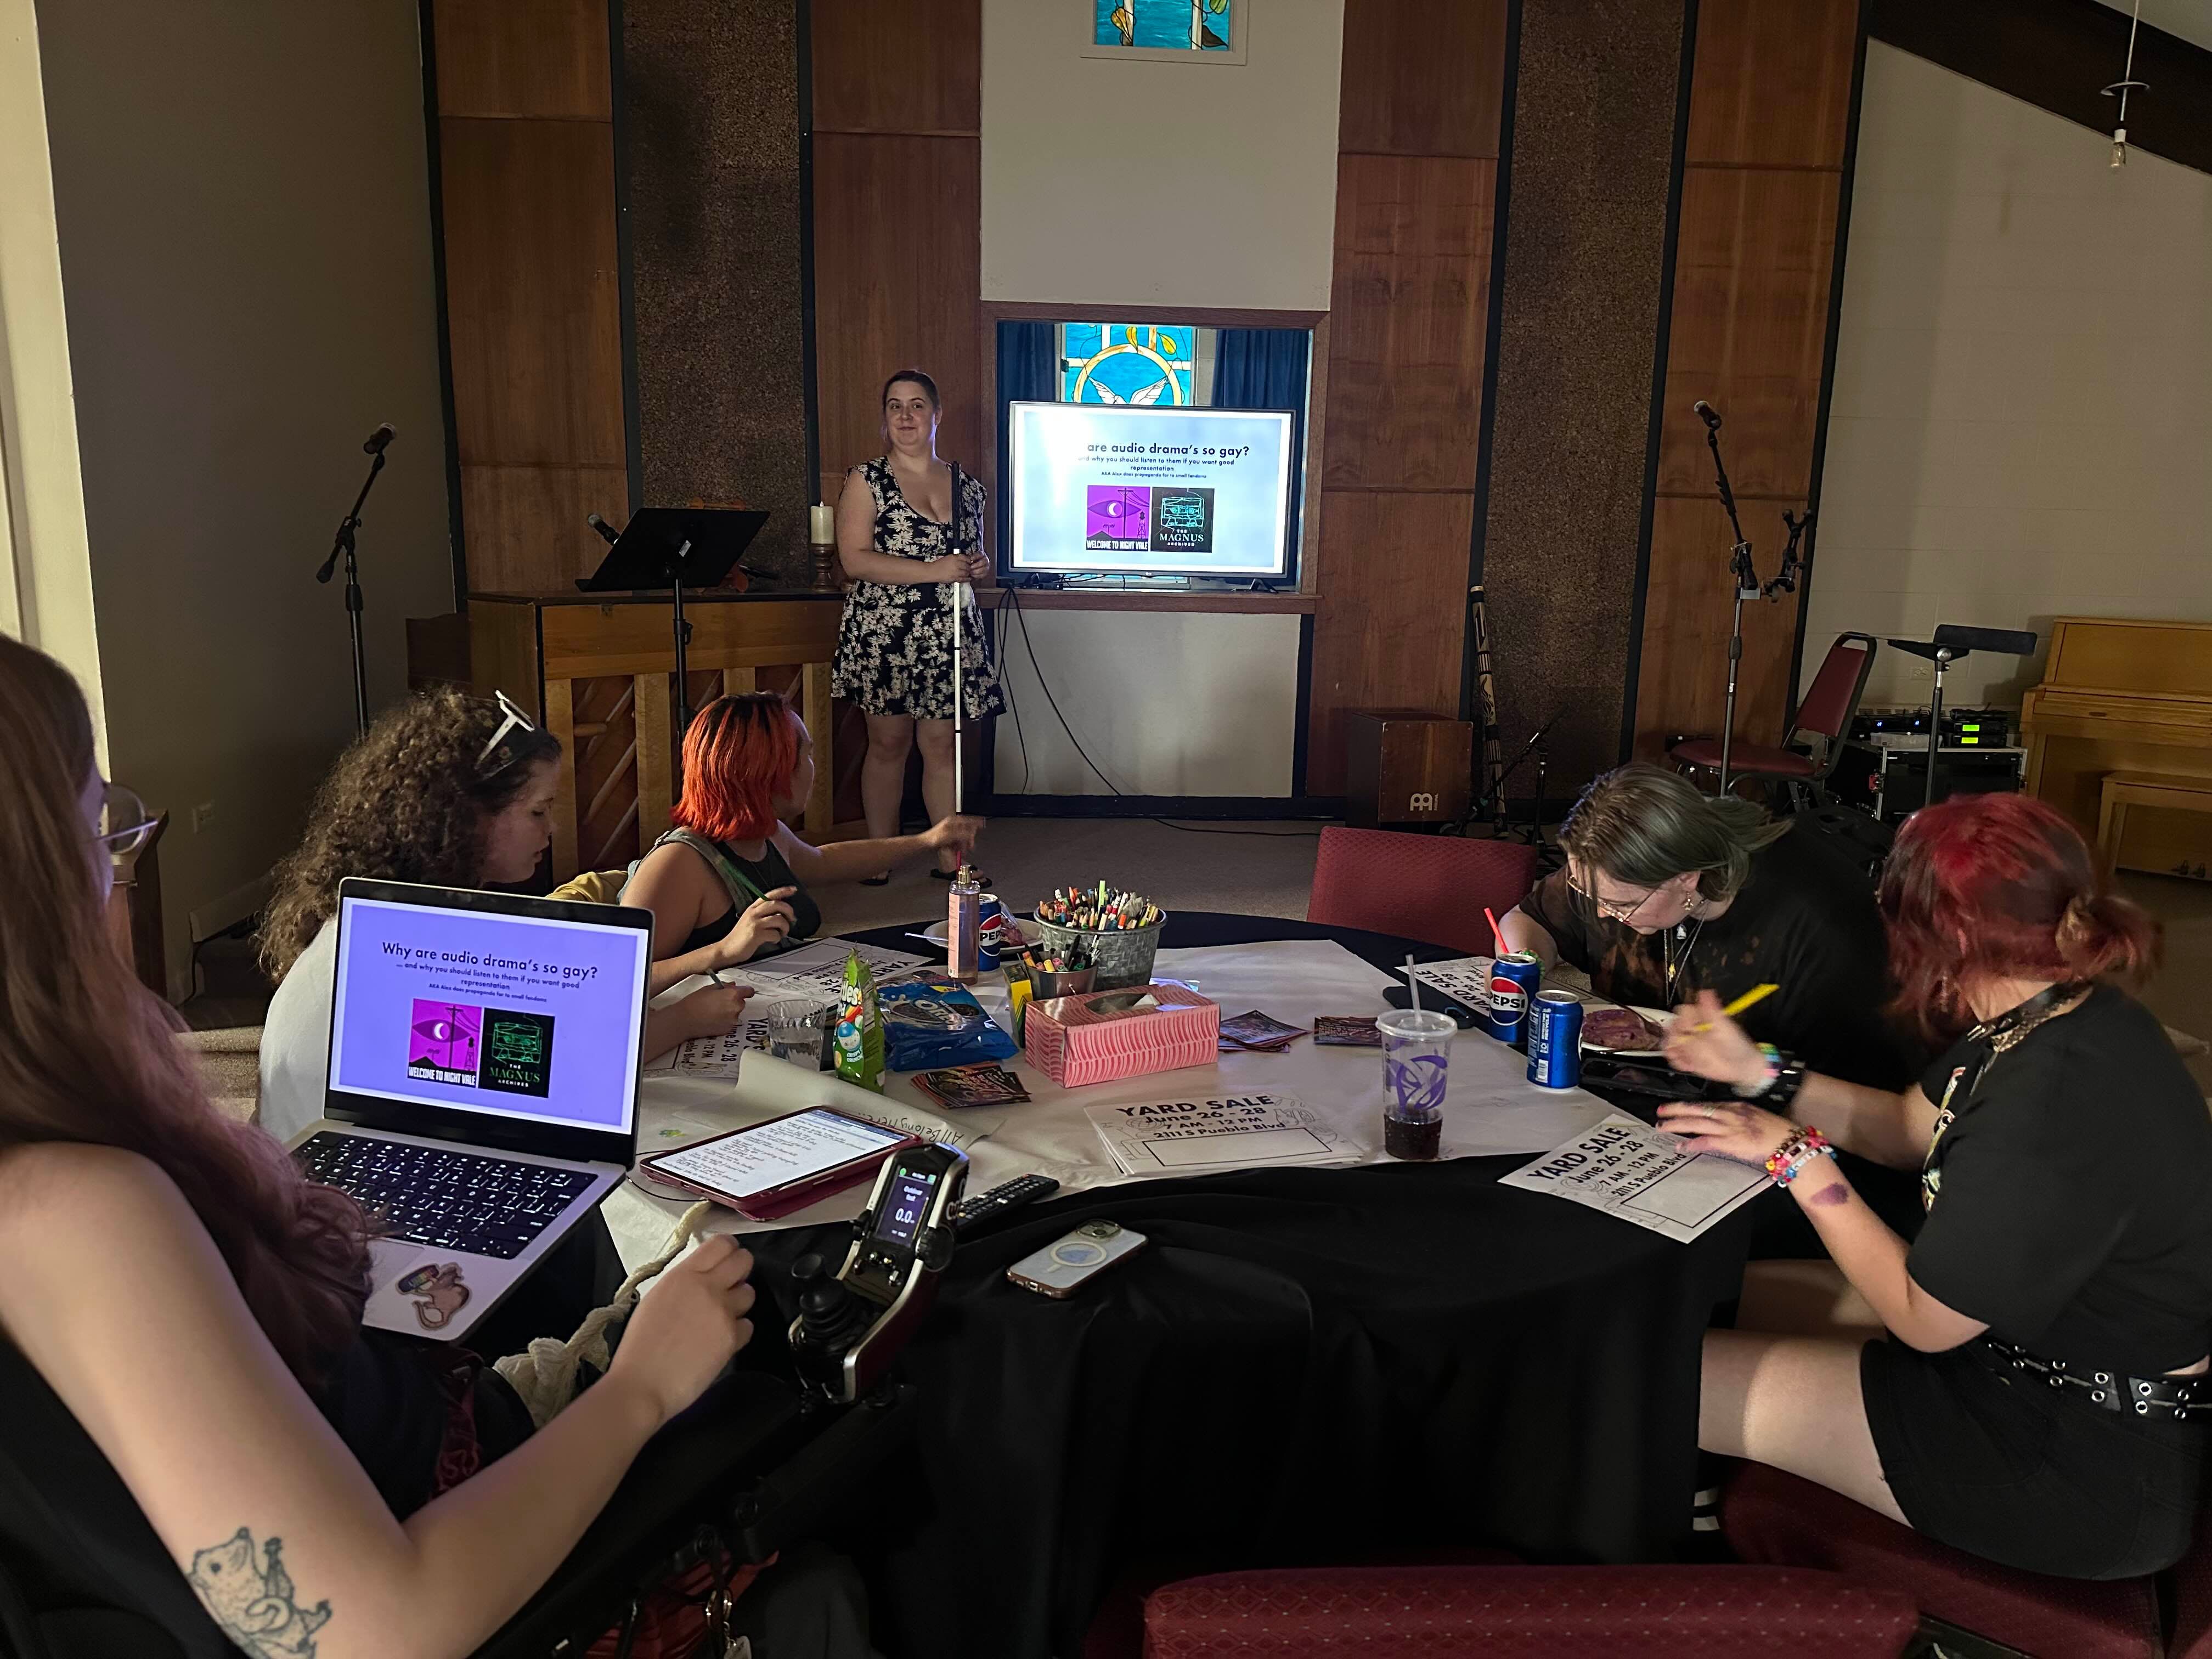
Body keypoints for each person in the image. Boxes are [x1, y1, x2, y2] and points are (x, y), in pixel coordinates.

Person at [0, 636, 781, 1657]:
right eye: (102, 839)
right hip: (462, 1524)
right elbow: (379, 1627)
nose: (123, 884)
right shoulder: (72, 1206)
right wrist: (640, 1386)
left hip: (411, 1422)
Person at [1661, 792, 2211, 1580]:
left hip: (2075, 1459)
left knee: (1654, 1368)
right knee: (1714, 1296)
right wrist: (1760, 1073)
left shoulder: (2051, 1104)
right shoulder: (2052, 1011)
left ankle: (1674, 1559)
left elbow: (1925, 1321)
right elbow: (1905, 1130)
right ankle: (1701, 1505)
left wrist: (1797, 1159)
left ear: (1943, 935)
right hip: (2025, 1358)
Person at [256, 690, 753, 1146]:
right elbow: (563, 1069)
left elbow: (565, 1009)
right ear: (466, 817)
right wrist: (684, 1020)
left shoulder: (398, 920)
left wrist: (704, 962)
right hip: (345, 1195)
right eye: (539, 812)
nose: (552, 829)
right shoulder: (421, 952)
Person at [1498, 763, 1915, 1093]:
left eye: (1621, 905)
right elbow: (1530, 919)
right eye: (1586, 894)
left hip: (1778, 1123)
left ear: (1688, 878)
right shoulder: (1610, 867)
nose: (1602, 915)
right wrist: (1524, 962)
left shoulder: (1818, 923)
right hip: (1644, 1093)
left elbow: (1866, 1098)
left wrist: (1754, 1069)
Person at [623, 691, 983, 996]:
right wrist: (722, 951)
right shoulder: (679, 864)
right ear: (770, 770)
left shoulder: (767, 834)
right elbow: (618, 979)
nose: (814, 768)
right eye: (806, 754)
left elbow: (824, 861)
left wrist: (928, 840)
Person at [832, 368, 1003, 883]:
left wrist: (977, 564)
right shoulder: (867, 479)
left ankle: (951, 858)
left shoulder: (966, 484)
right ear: (885, 418)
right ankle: (878, 856)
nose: (905, 416)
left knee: (941, 745)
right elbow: (855, 561)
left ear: (936, 415)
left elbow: (971, 555)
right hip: (887, 630)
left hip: (947, 630)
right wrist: (932, 571)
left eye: (917, 405)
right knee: (887, 745)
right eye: (895, 406)